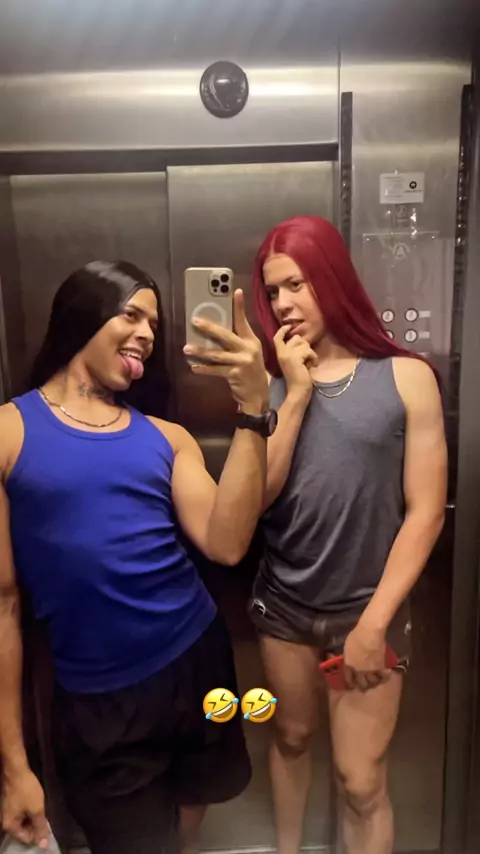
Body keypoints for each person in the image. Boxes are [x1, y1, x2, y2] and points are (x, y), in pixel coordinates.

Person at [0, 261, 277, 854]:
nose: (148, 334)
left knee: (195, 806)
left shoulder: (166, 436)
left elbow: (227, 542)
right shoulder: (9, 433)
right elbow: (3, 607)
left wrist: (255, 409)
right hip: (98, 698)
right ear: (81, 315)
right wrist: (14, 767)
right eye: (131, 314)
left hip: (197, 659)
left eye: (154, 322)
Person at [248, 217, 447, 854]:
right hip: (283, 606)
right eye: (272, 291)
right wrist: (295, 393)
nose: (283, 303)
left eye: (296, 284)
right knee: (290, 739)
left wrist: (374, 624)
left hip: (370, 608)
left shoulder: (406, 377)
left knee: (360, 782)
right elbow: (257, 500)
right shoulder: (267, 386)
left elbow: (426, 511)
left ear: (330, 279)